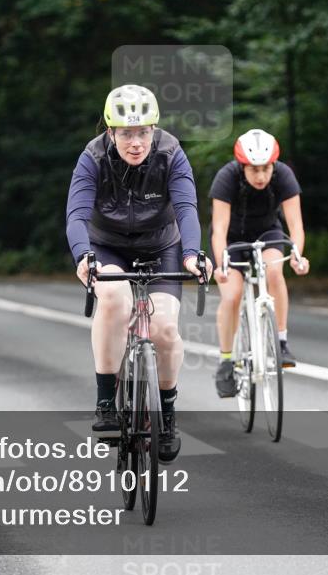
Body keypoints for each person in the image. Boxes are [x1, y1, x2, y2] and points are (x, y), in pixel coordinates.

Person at [66, 84, 210, 463]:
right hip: (106, 246)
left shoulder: (171, 153)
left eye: (143, 132)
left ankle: (167, 411)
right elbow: (76, 215)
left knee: (164, 329)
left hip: (161, 245)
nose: (135, 142)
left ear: (153, 130)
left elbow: (187, 209)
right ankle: (105, 404)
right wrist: (84, 256)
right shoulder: (92, 158)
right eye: (126, 133)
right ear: (110, 132)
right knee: (114, 297)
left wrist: (193, 254)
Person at [209, 129, 309, 398]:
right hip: (233, 238)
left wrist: (297, 256)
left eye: (266, 169)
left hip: (268, 233)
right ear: (242, 166)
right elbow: (219, 229)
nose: (261, 176)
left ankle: (281, 340)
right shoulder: (227, 178)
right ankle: (226, 360)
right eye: (254, 170)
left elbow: (296, 226)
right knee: (231, 295)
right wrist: (221, 265)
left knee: (275, 271)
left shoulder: (284, 175)